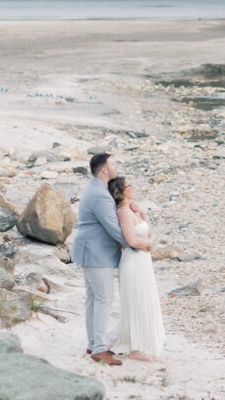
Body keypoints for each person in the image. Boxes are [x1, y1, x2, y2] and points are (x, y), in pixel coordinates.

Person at [71, 153, 151, 366]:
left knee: (94, 299)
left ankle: (93, 343)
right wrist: (133, 244)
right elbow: (113, 228)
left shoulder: (94, 188)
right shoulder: (100, 195)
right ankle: (99, 349)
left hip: (91, 251)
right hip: (97, 254)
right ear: (104, 169)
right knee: (103, 299)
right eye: (113, 163)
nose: (116, 166)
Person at [108, 176, 166, 361]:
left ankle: (139, 344)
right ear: (121, 191)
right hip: (133, 262)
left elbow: (146, 233)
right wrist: (147, 243)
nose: (132, 187)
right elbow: (131, 240)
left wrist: (144, 215)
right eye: (128, 185)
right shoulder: (123, 213)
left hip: (143, 261)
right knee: (135, 302)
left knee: (145, 299)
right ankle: (135, 349)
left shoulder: (132, 211)